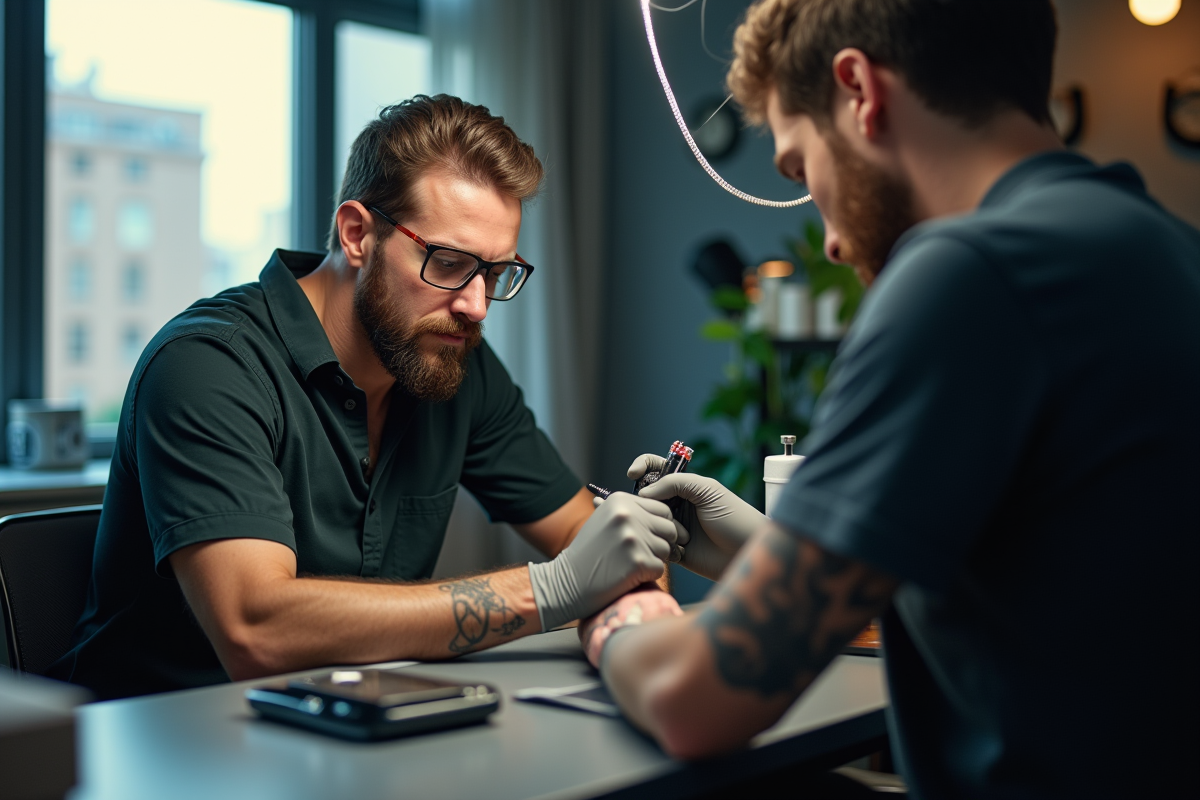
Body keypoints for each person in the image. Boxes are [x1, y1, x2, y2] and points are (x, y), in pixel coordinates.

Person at [579, 1, 1200, 798]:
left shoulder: (969, 273)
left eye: (802, 171)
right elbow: (1049, 587)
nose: (829, 239)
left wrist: (616, 624)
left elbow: (695, 702)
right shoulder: (1161, 250)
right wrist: (768, 548)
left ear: (860, 91)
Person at [48, 95, 678, 700]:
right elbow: (256, 631)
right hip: (153, 746)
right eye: (450, 262)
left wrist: (625, 592)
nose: (476, 306)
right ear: (356, 234)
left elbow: (590, 538)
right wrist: (557, 590)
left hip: (351, 723)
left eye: (495, 272)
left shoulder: (451, 357)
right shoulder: (207, 364)